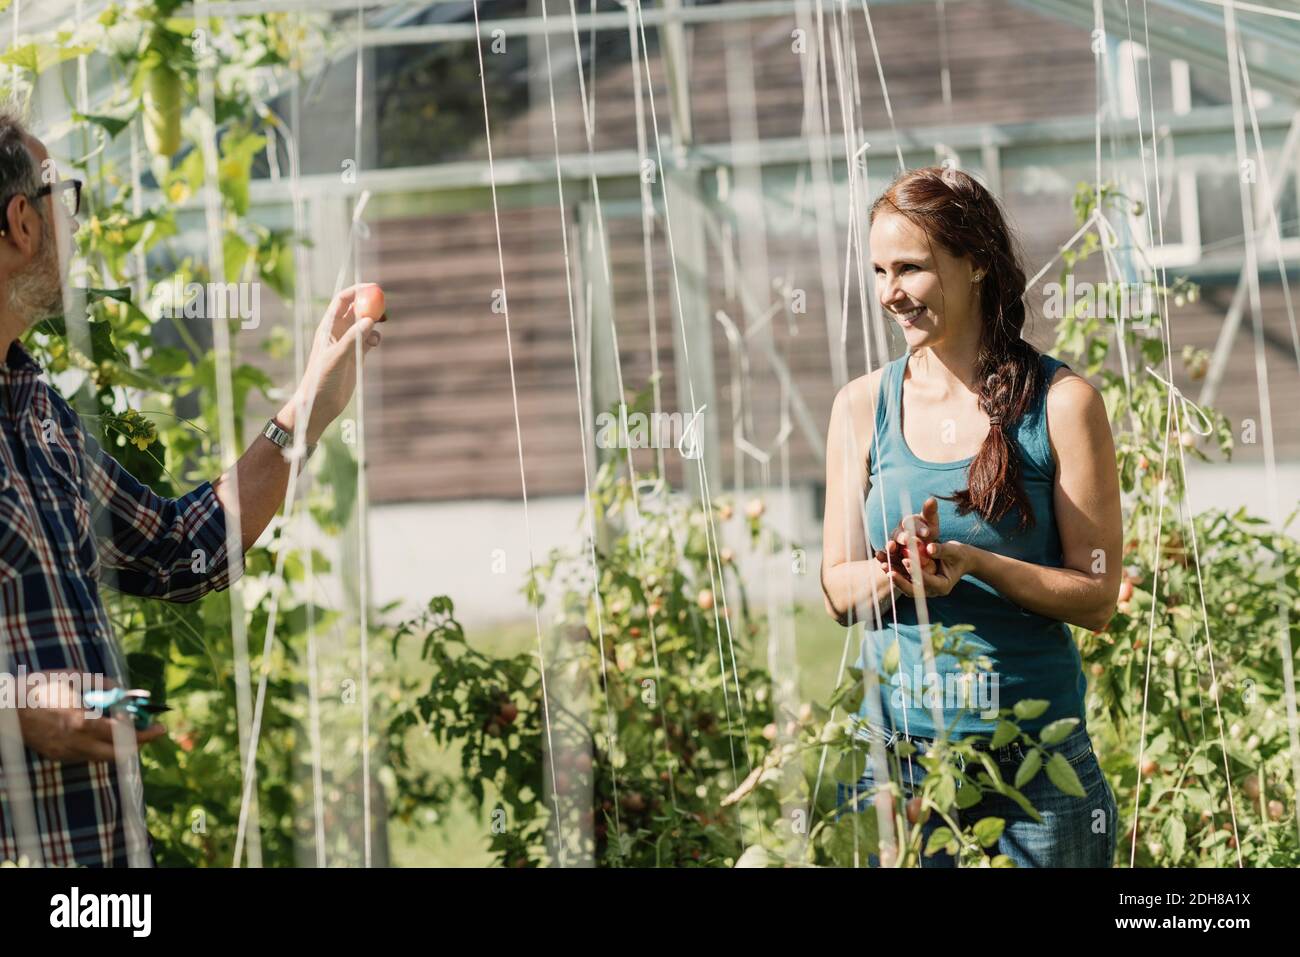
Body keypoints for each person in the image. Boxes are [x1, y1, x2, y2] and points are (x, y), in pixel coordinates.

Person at [0, 109, 386, 866]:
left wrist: (305, 410)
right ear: (20, 223)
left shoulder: (36, 410)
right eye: (62, 198)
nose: (75, 223)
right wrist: (18, 713)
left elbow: (180, 547)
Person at [819, 165, 1123, 867]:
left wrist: (978, 563)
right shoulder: (861, 407)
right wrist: (902, 569)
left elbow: (1098, 595)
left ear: (978, 262)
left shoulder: (1062, 404)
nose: (890, 292)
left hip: (1035, 772)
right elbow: (838, 589)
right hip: (900, 767)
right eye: (878, 270)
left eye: (911, 269)